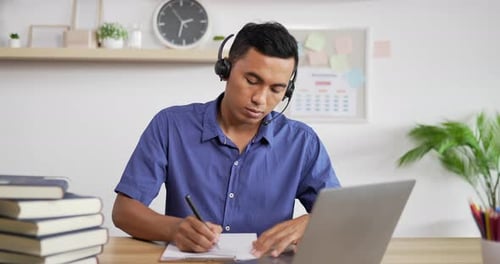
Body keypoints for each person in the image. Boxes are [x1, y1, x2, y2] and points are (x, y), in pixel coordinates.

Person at [112, 21, 340, 258]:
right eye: (252, 81)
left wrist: (309, 222)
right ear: (226, 69)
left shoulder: (302, 142)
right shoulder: (171, 125)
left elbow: (343, 216)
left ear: (288, 90)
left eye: (276, 89)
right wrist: (174, 229)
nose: (260, 99)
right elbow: (124, 211)